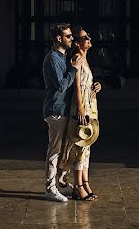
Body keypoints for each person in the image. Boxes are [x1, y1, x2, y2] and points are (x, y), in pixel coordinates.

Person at [59, 26, 102, 201]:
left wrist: (97, 86)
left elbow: (86, 83)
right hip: (81, 106)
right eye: (86, 38)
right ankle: (77, 187)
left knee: (87, 145)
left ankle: (85, 182)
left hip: (90, 104)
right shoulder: (77, 57)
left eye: (89, 36)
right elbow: (76, 86)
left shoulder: (85, 58)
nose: (89, 39)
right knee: (79, 146)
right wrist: (80, 109)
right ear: (77, 43)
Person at [42, 22, 81, 202]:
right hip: (55, 111)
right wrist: (73, 69)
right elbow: (61, 86)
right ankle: (50, 188)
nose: (72, 39)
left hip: (65, 110)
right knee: (55, 151)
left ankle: (59, 183)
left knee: (64, 150)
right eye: (68, 36)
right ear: (59, 38)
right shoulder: (52, 59)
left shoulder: (64, 57)